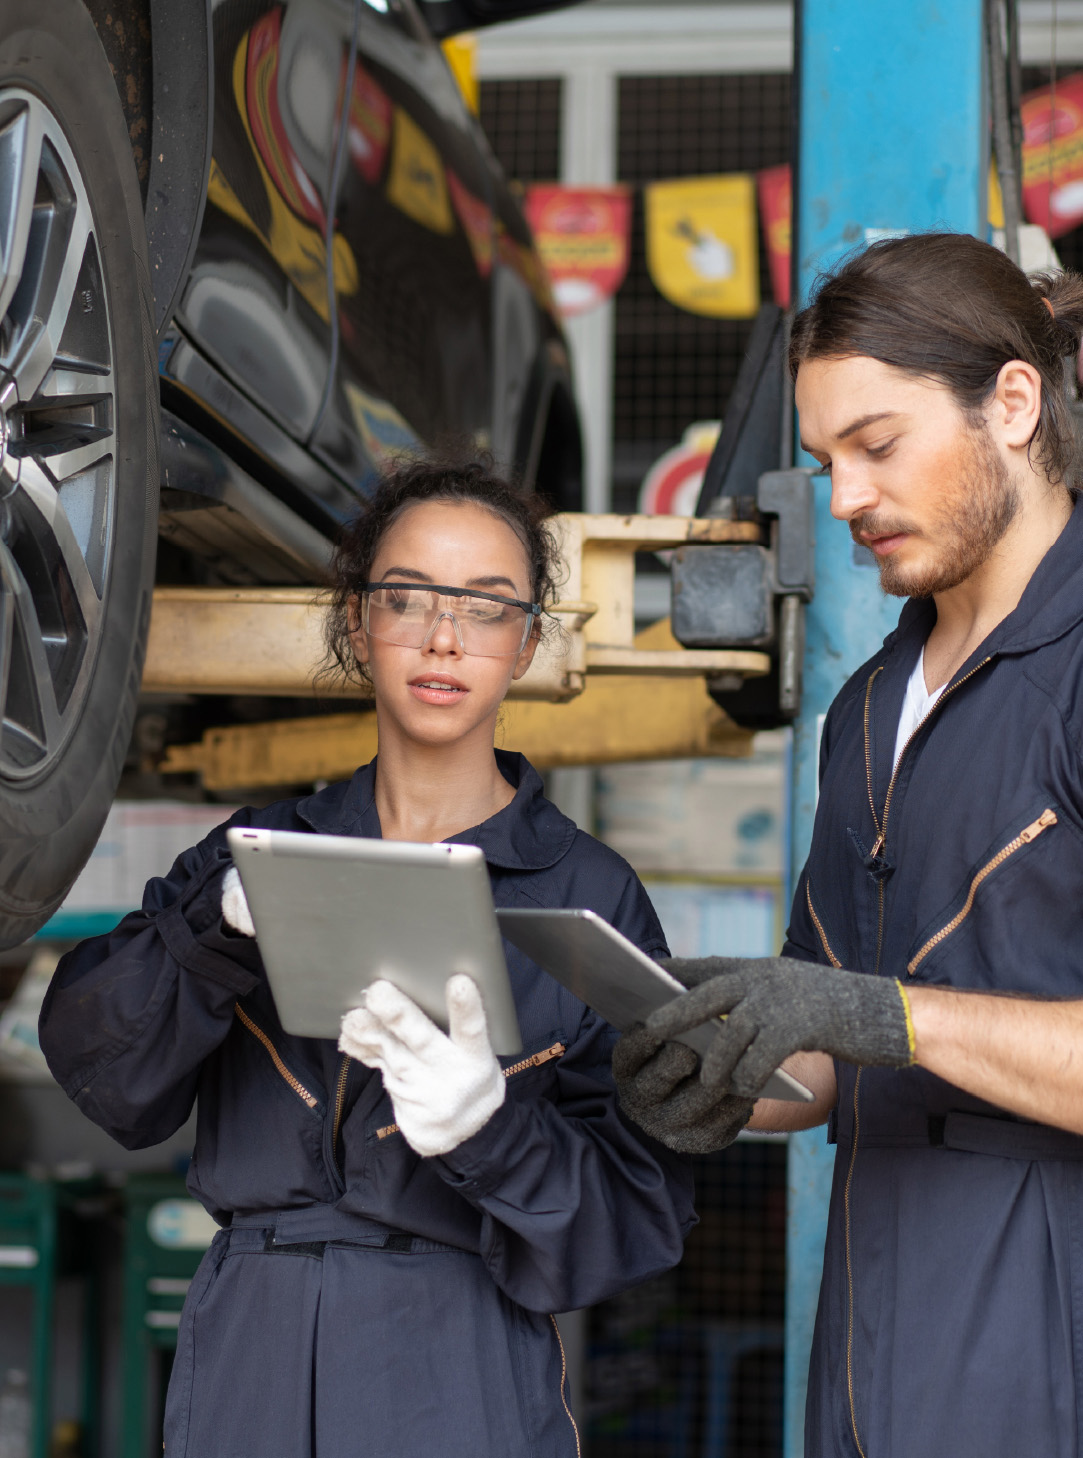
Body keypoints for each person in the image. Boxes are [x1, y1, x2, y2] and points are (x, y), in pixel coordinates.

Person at [39, 460, 695, 1458]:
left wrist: (492, 1134)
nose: (443, 638)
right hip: (249, 1345)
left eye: (485, 607)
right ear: (357, 623)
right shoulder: (256, 850)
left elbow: (636, 1220)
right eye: (407, 599)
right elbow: (104, 1071)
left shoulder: (588, 897)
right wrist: (210, 934)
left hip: (454, 1358)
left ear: (526, 642)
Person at [613, 233, 1083, 1458]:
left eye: (878, 446)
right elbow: (824, 1056)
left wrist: (882, 1016)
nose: (846, 499)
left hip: (1049, 1335)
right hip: (872, 1346)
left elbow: (870, 1016)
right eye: (825, 463)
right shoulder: (867, 711)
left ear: (1014, 404)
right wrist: (711, 1073)